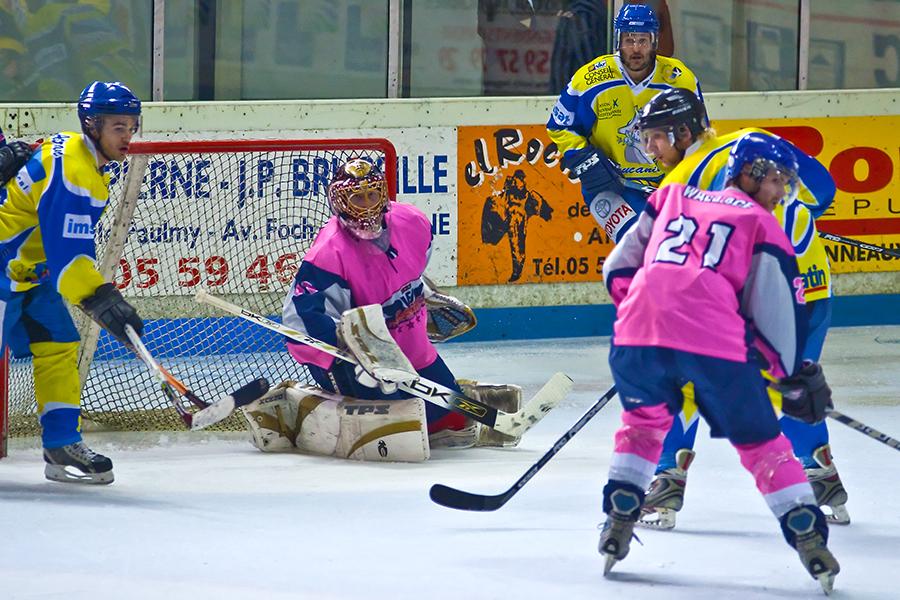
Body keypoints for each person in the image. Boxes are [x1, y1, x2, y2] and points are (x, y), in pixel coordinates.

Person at [597, 134, 840, 593]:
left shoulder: (670, 195)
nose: (781, 192)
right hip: (714, 347)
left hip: (635, 336)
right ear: (748, 173)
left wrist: (649, 319)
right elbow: (774, 313)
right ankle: (807, 531)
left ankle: (620, 513)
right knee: (762, 445)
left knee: (642, 426)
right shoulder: (762, 224)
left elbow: (617, 267)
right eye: (777, 181)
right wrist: (790, 377)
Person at [632, 88, 849, 528]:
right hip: (812, 287)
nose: (650, 150)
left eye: (656, 137)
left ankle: (667, 481)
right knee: (793, 381)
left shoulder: (680, 183)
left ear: (683, 131)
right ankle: (821, 476)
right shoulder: (754, 141)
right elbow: (822, 189)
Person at [241, 158, 519, 462]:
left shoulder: (413, 222)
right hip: (349, 356)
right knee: (400, 430)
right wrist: (349, 356)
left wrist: (421, 293)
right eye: (357, 198)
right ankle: (295, 407)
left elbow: (409, 271)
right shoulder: (329, 253)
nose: (367, 206)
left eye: (372, 194)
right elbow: (305, 320)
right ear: (340, 201)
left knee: (445, 420)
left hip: (406, 344)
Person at [1, 81, 144, 484]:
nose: (128, 136)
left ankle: (61, 442)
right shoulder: (74, 174)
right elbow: (69, 258)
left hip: (26, 273)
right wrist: (101, 298)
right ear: (92, 125)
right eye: (119, 127)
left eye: (132, 126)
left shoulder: (74, 150)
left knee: (60, 345)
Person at [546, 2, 700, 243]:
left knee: (677, 246)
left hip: (665, 185)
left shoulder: (678, 80)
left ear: (654, 42)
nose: (635, 48)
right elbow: (559, 126)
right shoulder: (592, 79)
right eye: (629, 40)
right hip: (609, 188)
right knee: (641, 243)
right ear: (618, 40)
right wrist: (584, 158)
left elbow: (698, 136)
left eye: (643, 40)